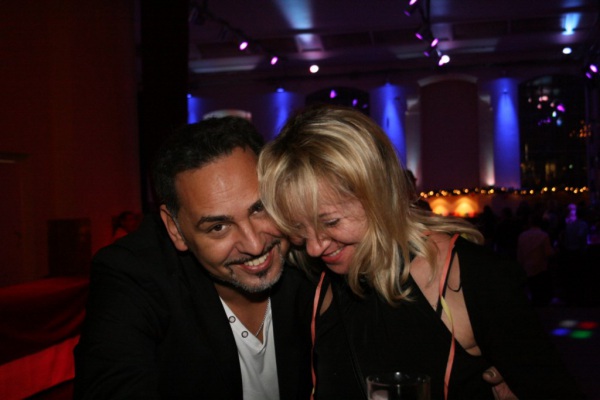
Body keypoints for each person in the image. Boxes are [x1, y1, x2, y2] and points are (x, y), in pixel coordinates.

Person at [258, 105, 583, 399]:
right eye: (298, 227)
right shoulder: (308, 281)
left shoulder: (469, 279)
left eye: (330, 222)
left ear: (378, 194)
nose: (314, 247)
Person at [74, 117, 314, 399]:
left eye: (260, 209)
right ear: (175, 229)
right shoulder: (132, 273)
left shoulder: (315, 249)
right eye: (218, 227)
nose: (254, 244)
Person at [517, 214, 555, 306]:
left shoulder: (522, 235)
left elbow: (519, 253)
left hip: (527, 266)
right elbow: (548, 253)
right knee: (539, 291)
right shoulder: (544, 235)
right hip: (540, 267)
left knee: (531, 289)